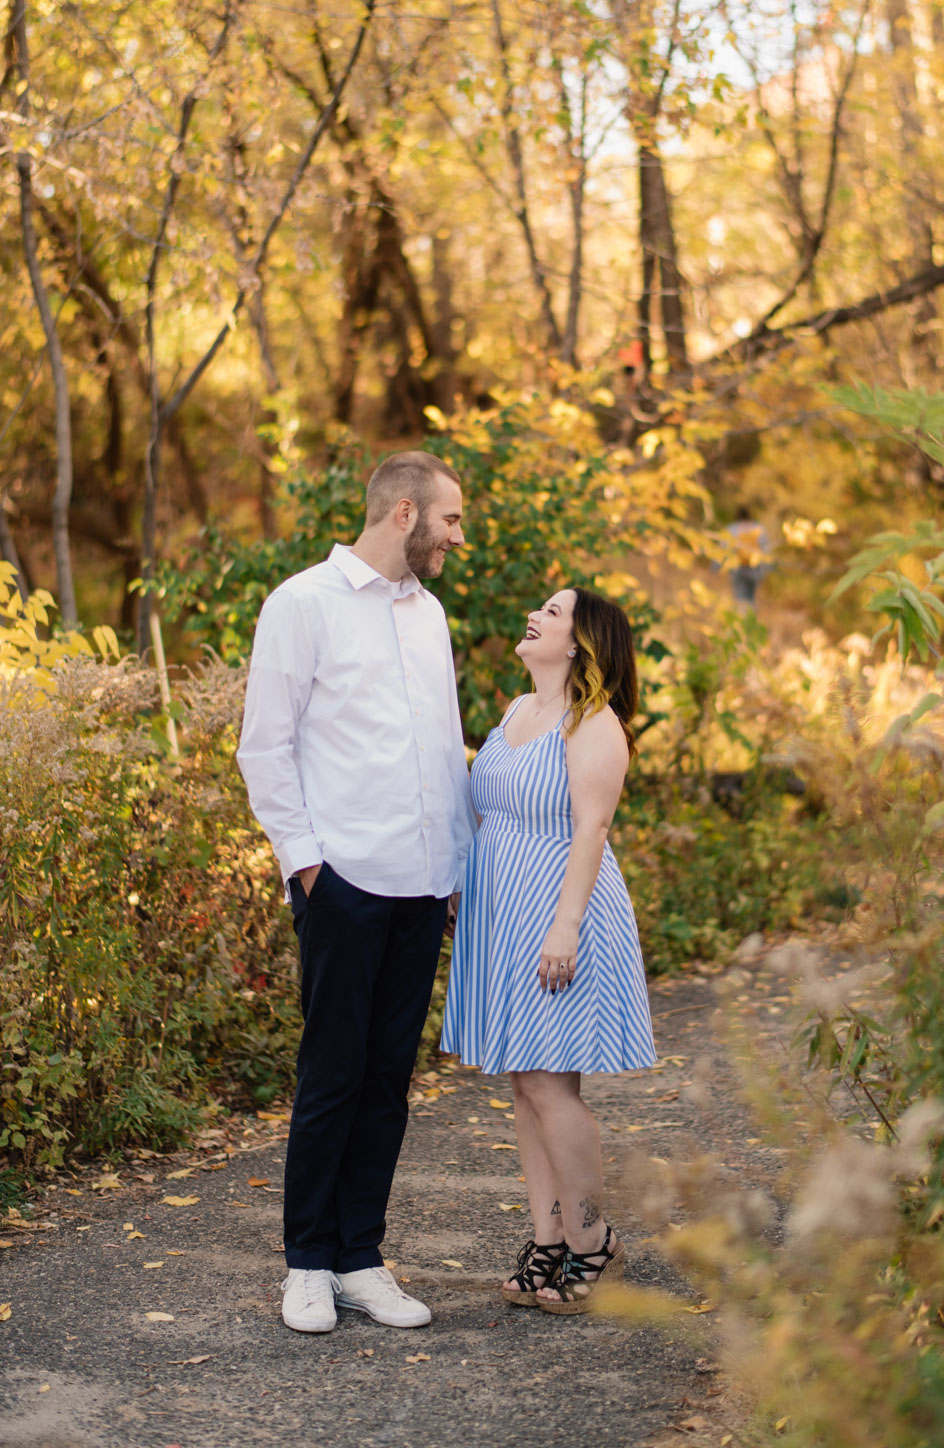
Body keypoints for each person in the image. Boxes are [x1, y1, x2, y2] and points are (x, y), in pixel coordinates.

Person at [236, 451, 472, 1335]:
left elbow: (443, 748)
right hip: (344, 881)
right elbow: (266, 746)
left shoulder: (431, 615)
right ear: (404, 513)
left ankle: (359, 1258)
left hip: (420, 883)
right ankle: (305, 1264)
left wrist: (454, 864)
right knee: (332, 1075)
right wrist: (307, 867)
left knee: (387, 1080)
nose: (456, 537)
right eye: (449, 520)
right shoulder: (302, 604)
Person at [441, 586, 656, 1314]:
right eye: (538, 604)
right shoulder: (514, 714)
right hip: (502, 914)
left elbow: (590, 831)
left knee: (548, 1087)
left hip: (559, 911)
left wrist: (563, 926)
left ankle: (593, 1241)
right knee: (523, 1084)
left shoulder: (592, 725)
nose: (534, 612)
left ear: (579, 643)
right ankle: (548, 1240)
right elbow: (486, 812)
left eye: (555, 611)